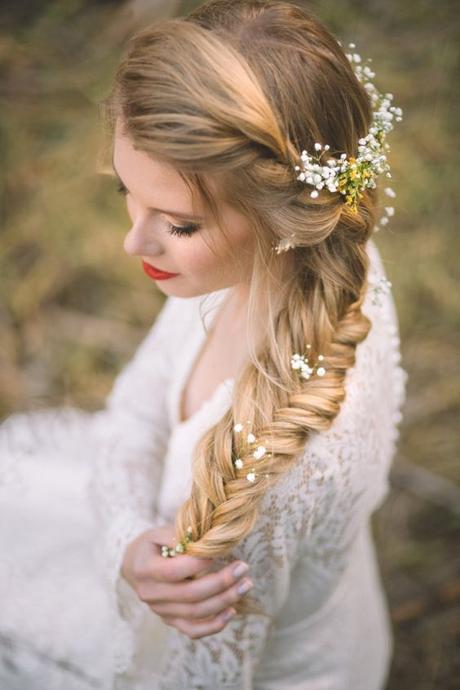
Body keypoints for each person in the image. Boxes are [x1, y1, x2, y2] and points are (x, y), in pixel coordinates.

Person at [0, 1, 408, 688]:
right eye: (129, 192)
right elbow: (137, 401)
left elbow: (202, 673)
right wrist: (127, 541)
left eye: (180, 225)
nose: (134, 242)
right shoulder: (296, 260)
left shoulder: (270, 471)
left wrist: (138, 569)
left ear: (285, 213)